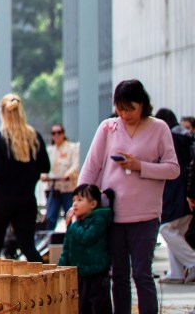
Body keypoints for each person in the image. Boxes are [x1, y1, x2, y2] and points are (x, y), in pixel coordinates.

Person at [78, 79, 180, 314]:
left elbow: (173, 169)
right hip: (112, 213)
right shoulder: (108, 128)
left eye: (130, 109)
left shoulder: (159, 128)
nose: (125, 115)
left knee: (142, 273)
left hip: (146, 214)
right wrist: (79, 202)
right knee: (119, 275)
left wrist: (140, 166)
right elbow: (91, 168)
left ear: (142, 104)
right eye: (120, 109)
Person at [0, 93, 50, 262]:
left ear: (2, 113)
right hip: (26, 199)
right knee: (28, 247)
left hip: (0, 200)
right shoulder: (35, 138)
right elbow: (45, 167)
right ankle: (43, 277)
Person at [58, 184, 114, 314]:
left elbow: (86, 237)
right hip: (80, 274)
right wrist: (60, 268)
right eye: (74, 200)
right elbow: (67, 248)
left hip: (97, 274)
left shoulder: (99, 220)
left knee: (100, 308)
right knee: (82, 308)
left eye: (80, 200)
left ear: (93, 204)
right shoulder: (75, 223)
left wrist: (73, 224)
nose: (75, 204)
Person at [155, 108, 195, 282]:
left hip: (176, 192)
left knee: (166, 228)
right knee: (176, 232)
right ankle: (176, 272)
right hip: (187, 191)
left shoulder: (169, 137)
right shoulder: (186, 136)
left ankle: (192, 263)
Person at [42, 123, 79, 231]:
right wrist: (43, 175)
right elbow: (44, 167)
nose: (57, 135)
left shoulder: (72, 148)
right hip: (53, 189)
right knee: (50, 217)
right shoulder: (49, 150)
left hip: (68, 189)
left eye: (59, 132)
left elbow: (76, 165)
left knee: (70, 215)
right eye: (54, 133)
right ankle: (49, 238)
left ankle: (72, 236)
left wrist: (67, 175)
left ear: (63, 133)